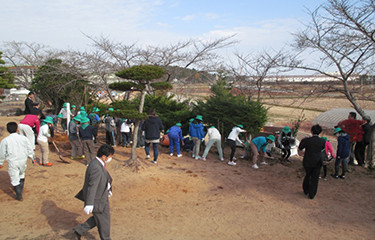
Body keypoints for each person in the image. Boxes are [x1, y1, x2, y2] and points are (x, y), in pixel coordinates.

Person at [73, 144, 114, 240]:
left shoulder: (99, 163)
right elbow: (92, 186)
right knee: (104, 221)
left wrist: (108, 189)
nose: (110, 159)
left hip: (102, 195)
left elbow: (105, 178)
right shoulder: (96, 167)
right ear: (104, 156)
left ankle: (79, 230)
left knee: (99, 218)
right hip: (97, 199)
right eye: (110, 156)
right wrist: (89, 203)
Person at [0, 122, 34, 201]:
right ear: (17, 129)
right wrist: (32, 157)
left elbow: (2, 153)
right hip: (23, 160)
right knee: (21, 174)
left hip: (13, 161)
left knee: (14, 177)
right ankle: (20, 190)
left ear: (8, 130)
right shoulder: (23, 138)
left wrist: (0, 162)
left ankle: (19, 195)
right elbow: (29, 148)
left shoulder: (5, 140)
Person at [298, 124, 326, 200]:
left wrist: (303, 155)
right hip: (317, 161)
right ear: (320, 132)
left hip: (308, 160)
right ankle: (312, 194)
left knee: (308, 175)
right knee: (315, 178)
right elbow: (323, 151)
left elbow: (300, 150)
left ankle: (306, 190)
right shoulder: (323, 141)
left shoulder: (306, 140)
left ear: (311, 131)